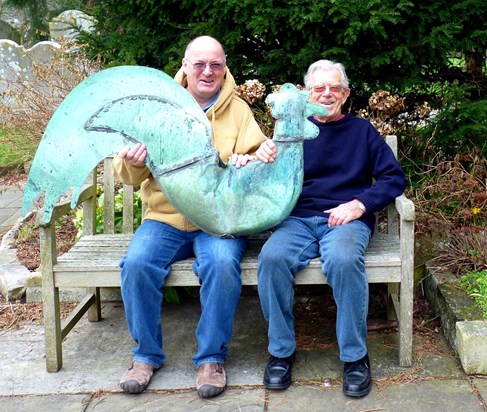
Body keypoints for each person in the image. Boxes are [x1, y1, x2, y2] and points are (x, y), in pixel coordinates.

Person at [113, 36, 267, 398]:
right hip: (165, 219)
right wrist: (132, 162)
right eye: (199, 64)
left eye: (215, 65)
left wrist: (248, 163)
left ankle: (211, 358)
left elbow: (259, 158)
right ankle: (145, 356)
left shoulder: (239, 111)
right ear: (184, 65)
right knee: (136, 264)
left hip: (217, 220)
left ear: (224, 68)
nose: (207, 72)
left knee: (221, 263)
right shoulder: (159, 110)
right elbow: (129, 175)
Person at [255, 59, 406, 398]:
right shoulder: (291, 132)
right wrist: (264, 152)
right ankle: (281, 352)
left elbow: (393, 177)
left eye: (334, 88)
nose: (326, 94)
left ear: (346, 94)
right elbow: (266, 180)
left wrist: (360, 204)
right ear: (307, 93)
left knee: (342, 260)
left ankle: (355, 357)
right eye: (318, 88)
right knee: (272, 259)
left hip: (346, 220)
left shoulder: (362, 131)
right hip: (297, 219)